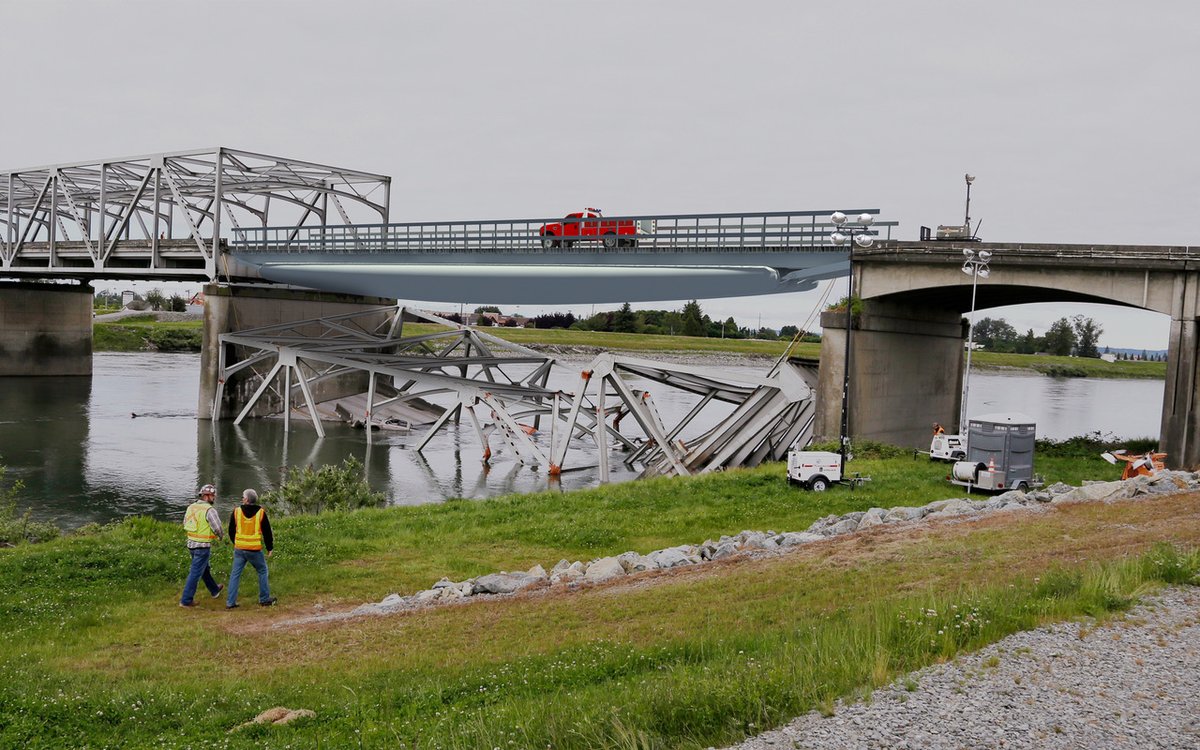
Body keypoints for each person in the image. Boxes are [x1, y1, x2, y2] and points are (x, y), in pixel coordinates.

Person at [225, 488, 277, 609]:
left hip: (239, 548)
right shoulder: (261, 512)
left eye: (243, 496)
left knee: (235, 575)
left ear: (247, 499)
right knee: (262, 570)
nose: (242, 498)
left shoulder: (236, 511)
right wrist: (270, 548)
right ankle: (264, 599)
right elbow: (267, 532)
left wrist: (236, 542)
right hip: (254, 549)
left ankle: (230, 602)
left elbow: (231, 530)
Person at [179, 484, 225, 608]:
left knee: (204, 569)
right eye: (213, 496)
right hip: (202, 546)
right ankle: (186, 600)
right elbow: (217, 527)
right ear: (207, 496)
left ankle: (214, 590)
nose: (214, 498)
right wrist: (221, 536)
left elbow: (185, 522)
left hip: (191, 544)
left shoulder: (191, 507)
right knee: (195, 572)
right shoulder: (209, 510)